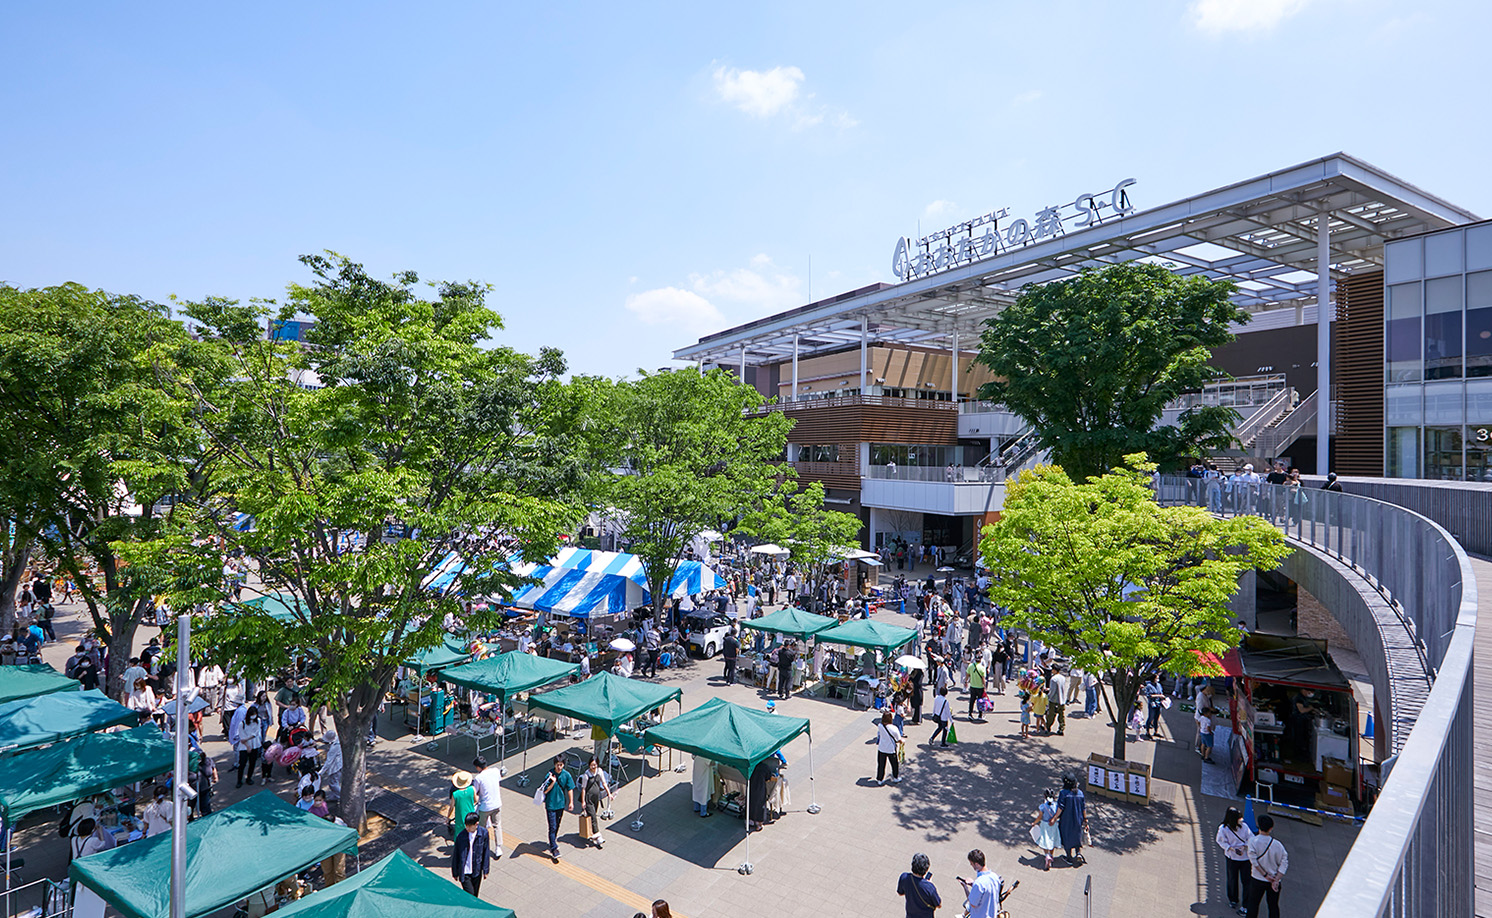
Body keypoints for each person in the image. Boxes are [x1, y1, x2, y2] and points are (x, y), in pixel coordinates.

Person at [1245, 814, 1288, 918]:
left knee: (1253, 904)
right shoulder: (1278, 845)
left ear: (1258, 826)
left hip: (1257, 879)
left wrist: (1265, 875)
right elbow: (1284, 862)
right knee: (1273, 906)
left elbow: (1254, 862)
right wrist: (1276, 879)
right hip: (1273, 880)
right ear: (1271, 828)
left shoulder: (1253, 842)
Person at [1216, 806, 1255, 913]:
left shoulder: (1244, 827)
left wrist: (1244, 846)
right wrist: (1231, 848)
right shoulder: (1223, 829)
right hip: (1232, 857)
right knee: (1232, 880)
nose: (1241, 819)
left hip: (1244, 858)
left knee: (1246, 881)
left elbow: (1251, 838)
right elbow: (1220, 841)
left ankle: (1245, 902)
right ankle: (1233, 899)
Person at [540, 755, 575, 862]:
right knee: (552, 826)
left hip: (561, 804)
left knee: (557, 824)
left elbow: (570, 788)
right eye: (557, 765)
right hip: (550, 804)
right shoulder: (549, 775)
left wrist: (571, 802)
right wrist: (553, 782)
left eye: (561, 765)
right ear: (554, 765)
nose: (559, 767)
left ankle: (552, 841)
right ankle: (554, 848)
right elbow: (544, 791)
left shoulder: (566, 775)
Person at [451, 812, 491, 897]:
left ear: (476, 824)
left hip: (476, 870)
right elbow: (456, 855)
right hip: (465, 871)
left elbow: (486, 851)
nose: (467, 828)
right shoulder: (461, 836)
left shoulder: (483, 833)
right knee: (470, 895)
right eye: (466, 825)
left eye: (469, 826)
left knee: (475, 895)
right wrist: (455, 872)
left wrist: (486, 869)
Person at [471, 755, 503, 859]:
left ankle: (482, 846)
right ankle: (498, 848)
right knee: (497, 825)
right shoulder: (495, 771)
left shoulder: (478, 778)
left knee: (481, 828)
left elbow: (476, 792)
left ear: (478, 767)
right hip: (497, 803)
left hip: (485, 807)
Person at [578, 756, 613, 848]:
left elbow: (604, 782)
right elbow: (584, 789)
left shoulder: (599, 771)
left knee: (593, 815)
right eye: (591, 765)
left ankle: (593, 832)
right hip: (588, 798)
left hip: (596, 797)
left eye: (595, 765)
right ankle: (598, 835)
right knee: (593, 816)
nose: (593, 767)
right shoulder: (586, 775)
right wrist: (583, 801)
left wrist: (609, 793)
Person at [958, 849, 1001, 918]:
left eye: (971, 863)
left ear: (977, 864)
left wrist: (965, 887)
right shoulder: (995, 877)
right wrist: (973, 884)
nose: (971, 865)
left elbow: (973, 904)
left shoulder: (979, 883)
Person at [1054, 773, 1087, 864]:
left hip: (1066, 820)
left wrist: (1054, 817)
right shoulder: (1080, 793)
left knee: (1066, 837)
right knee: (1077, 835)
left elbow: (1060, 808)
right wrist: (1085, 819)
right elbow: (1083, 808)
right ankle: (1078, 853)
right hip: (1078, 819)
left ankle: (1069, 857)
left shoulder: (1063, 793)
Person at [897, 852, 941, 918]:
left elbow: (900, 893)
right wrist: (929, 883)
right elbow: (938, 905)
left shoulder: (904, 877)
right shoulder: (929, 887)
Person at [1031, 790, 1061, 870]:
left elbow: (1040, 817)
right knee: (1052, 839)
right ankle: (1051, 855)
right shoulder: (1056, 805)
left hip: (1045, 825)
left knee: (1044, 840)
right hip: (1053, 824)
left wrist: (1034, 823)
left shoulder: (1043, 806)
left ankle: (1046, 855)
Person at [235, 706, 262, 787]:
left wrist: (247, 739)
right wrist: (247, 746)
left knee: (252, 763)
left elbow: (256, 733)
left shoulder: (258, 721)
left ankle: (249, 778)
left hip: (254, 744)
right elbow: (241, 737)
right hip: (244, 746)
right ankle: (239, 780)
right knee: (242, 764)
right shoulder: (242, 724)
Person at [875, 710, 902, 785]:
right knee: (894, 764)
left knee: (881, 765)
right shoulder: (894, 728)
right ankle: (895, 777)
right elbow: (898, 739)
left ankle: (880, 779)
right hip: (891, 749)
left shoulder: (880, 726)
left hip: (882, 748)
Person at [450, 770, 477, 835]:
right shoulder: (472, 789)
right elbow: (476, 800)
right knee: (471, 831)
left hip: (460, 816)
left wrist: (448, 817)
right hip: (471, 814)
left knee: (459, 832)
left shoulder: (455, 794)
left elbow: (451, 807)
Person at [1046, 665, 1068, 735]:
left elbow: (1053, 690)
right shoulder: (1063, 678)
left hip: (1054, 700)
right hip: (1061, 699)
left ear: (1054, 670)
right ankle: (1061, 728)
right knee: (1061, 715)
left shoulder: (1053, 679)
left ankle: (1048, 727)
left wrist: (1049, 696)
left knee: (1051, 715)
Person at [1142, 673, 1165, 740]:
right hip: (1152, 704)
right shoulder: (1149, 686)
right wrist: (1158, 696)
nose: (1157, 679)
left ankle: (1156, 731)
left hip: (1158, 703)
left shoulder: (1159, 685)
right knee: (1151, 717)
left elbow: (1161, 692)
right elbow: (1149, 695)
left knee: (1156, 718)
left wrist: (1162, 697)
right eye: (1156, 678)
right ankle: (1148, 732)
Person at [965, 656, 986, 720]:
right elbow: (983, 679)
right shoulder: (982, 668)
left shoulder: (970, 666)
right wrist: (985, 687)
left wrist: (966, 682)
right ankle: (980, 715)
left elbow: (967, 675)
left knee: (972, 700)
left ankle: (970, 714)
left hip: (972, 686)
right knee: (980, 701)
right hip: (980, 687)